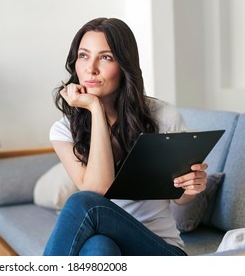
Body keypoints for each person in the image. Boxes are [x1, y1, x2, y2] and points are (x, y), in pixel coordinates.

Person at [43, 17, 208, 256]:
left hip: (161, 251)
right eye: (84, 55)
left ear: (124, 64)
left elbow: (179, 199)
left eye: (106, 57)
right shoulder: (62, 130)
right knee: (98, 247)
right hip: (112, 250)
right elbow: (98, 190)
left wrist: (191, 189)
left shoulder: (162, 116)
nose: (91, 68)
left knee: (81, 203)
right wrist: (95, 109)